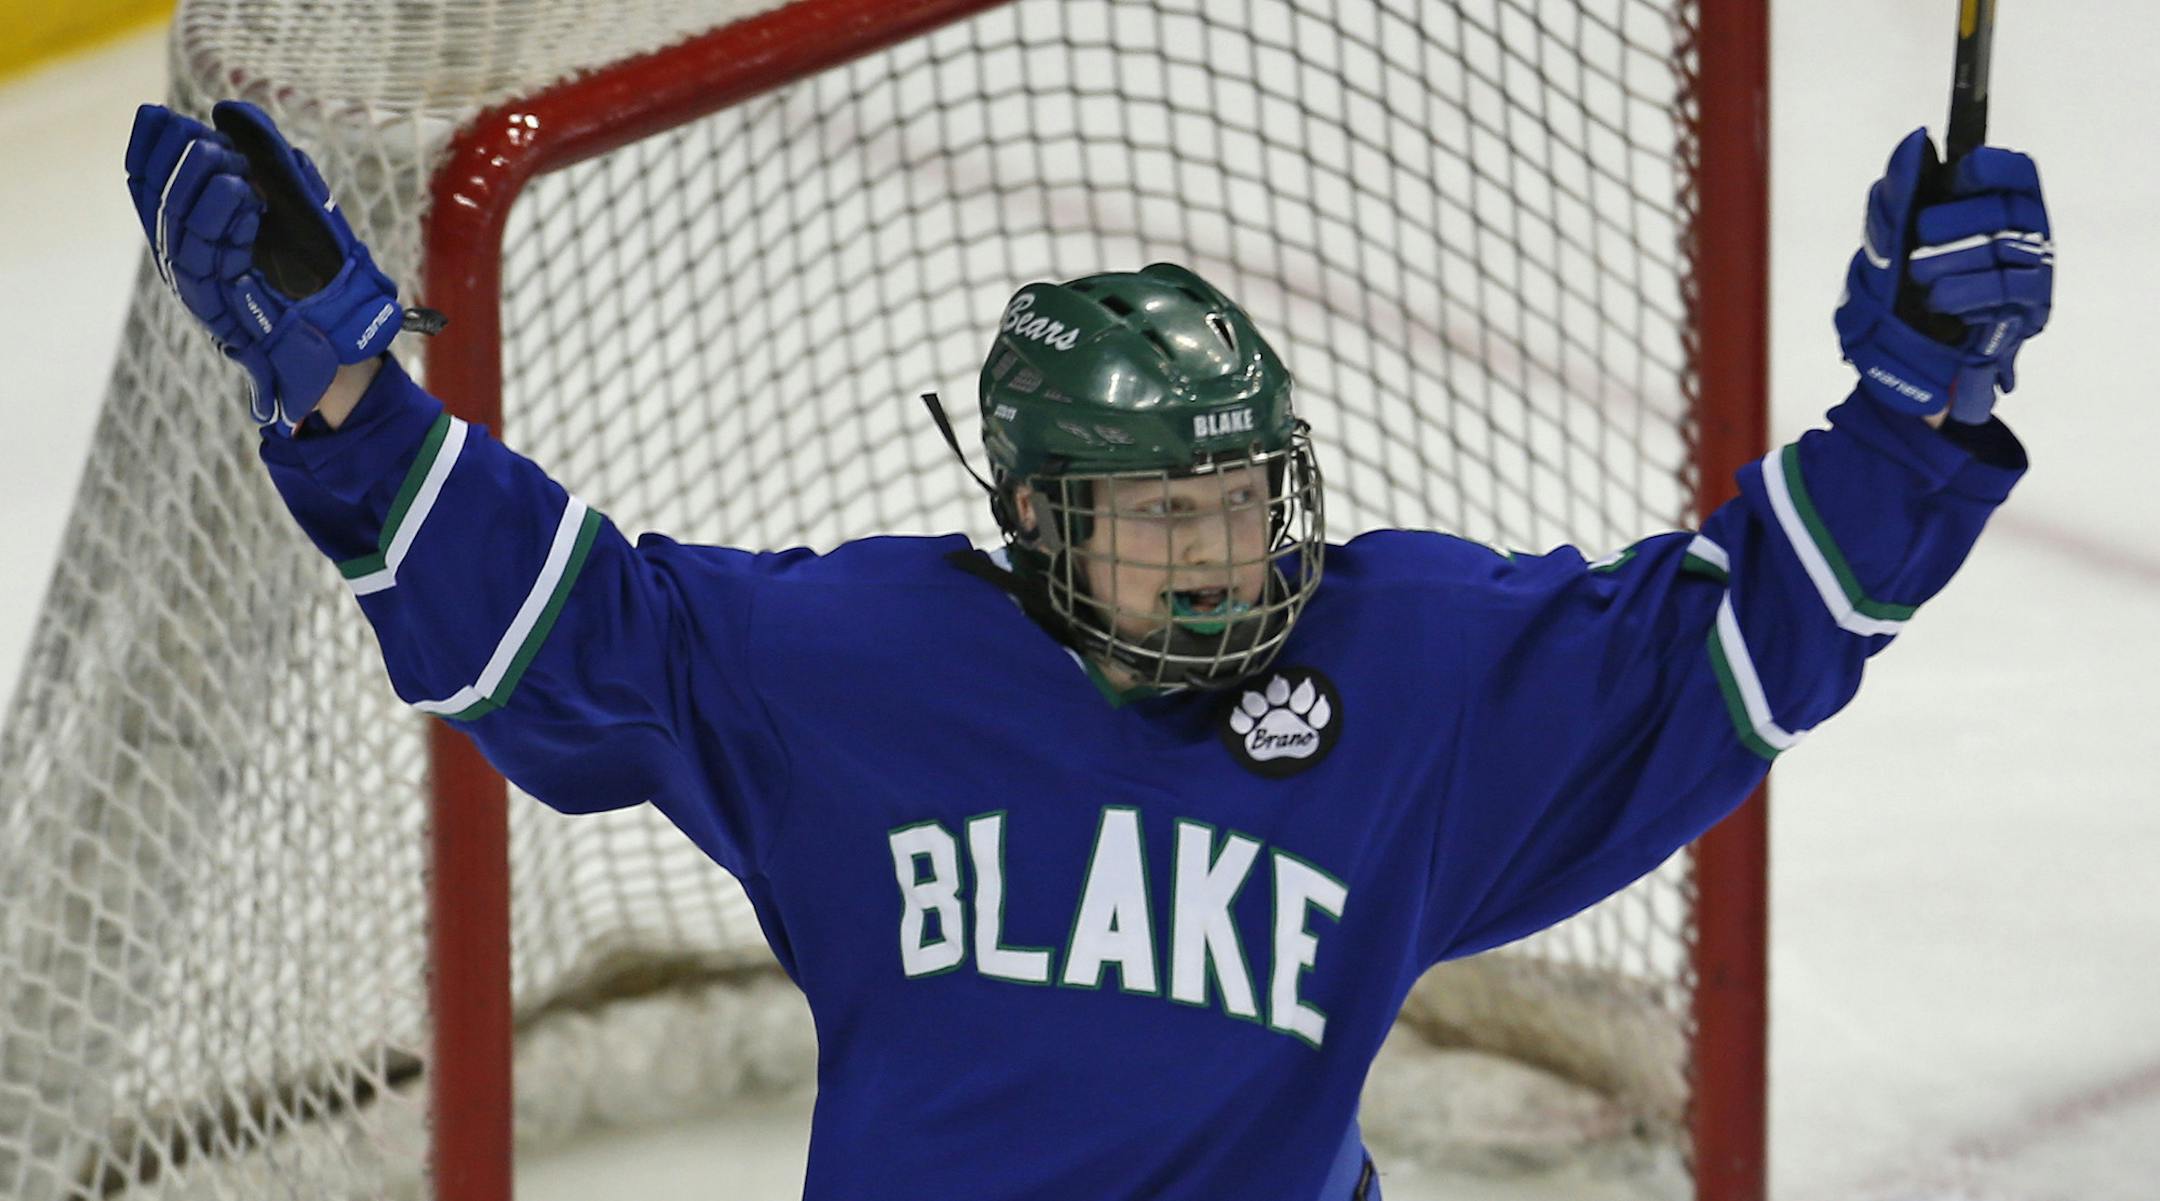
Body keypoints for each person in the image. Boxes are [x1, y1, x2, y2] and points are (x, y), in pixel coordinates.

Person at [123, 99, 2049, 1201]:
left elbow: (1722, 652)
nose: (1213, 552)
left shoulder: (1411, 671)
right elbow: (560, 623)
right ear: (1036, 519)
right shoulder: (855, 668)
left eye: (1233, 499)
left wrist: (1917, 418)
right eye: (1153, 516)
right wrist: (354, 400)